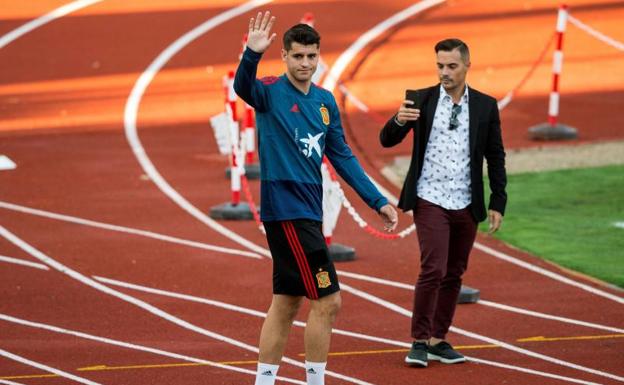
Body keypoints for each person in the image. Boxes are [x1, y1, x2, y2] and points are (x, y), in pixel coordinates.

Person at [234, 11, 398, 385]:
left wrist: (378, 200)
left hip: (308, 210)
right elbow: (243, 87)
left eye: (311, 56)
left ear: (318, 56)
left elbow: (342, 157)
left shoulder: (325, 102)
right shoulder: (270, 92)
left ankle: (264, 382)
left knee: (287, 301)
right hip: (287, 210)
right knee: (329, 301)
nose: (305, 63)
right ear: (285, 57)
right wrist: (251, 53)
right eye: (298, 56)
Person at [380, 38, 507, 367]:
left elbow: (496, 156)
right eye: (440, 66)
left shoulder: (484, 105)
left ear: (467, 65)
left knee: (454, 272)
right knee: (433, 268)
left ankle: (439, 339)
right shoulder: (420, 99)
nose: (444, 72)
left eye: (451, 66)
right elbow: (386, 140)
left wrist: (498, 201)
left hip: (466, 201)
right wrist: (399, 119)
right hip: (430, 196)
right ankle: (419, 341)